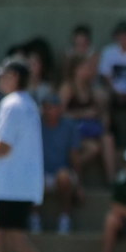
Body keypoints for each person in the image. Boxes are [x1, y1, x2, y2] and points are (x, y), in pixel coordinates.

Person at [0, 59, 68, 252]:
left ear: (14, 77)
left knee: (13, 237)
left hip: (13, 185)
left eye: (3, 75)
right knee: (0, 236)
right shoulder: (25, 103)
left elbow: (3, 147)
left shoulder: (12, 104)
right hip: (14, 184)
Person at [60, 55, 117, 184]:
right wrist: (82, 114)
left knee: (108, 139)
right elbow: (59, 114)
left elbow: (100, 111)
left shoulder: (91, 88)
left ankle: (112, 180)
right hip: (72, 131)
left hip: (90, 130)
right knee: (93, 148)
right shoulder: (68, 88)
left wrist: (103, 115)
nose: (88, 70)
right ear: (75, 70)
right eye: (84, 68)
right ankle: (70, 170)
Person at [32, 94, 80, 236]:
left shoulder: (70, 126)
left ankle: (65, 218)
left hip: (62, 173)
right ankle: (34, 218)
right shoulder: (35, 125)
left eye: (53, 107)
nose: (50, 111)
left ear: (60, 109)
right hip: (39, 174)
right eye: (46, 108)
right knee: (34, 176)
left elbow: (74, 155)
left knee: (63, 176)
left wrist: (80, 185)